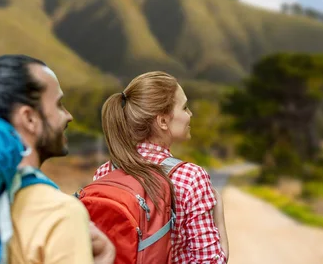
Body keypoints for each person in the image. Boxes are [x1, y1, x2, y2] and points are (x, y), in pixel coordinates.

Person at [0, 52, 116, 264]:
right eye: (58, 104)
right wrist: (105, 258)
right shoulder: (58, 212)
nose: (68, 116)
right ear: (29, 118)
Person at [93, 71, 229, 264]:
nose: (190, 114)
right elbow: (210, 261)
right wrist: (219, 215)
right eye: (185, 107)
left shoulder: (105, 172)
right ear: (163, 121)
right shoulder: (190, 177)